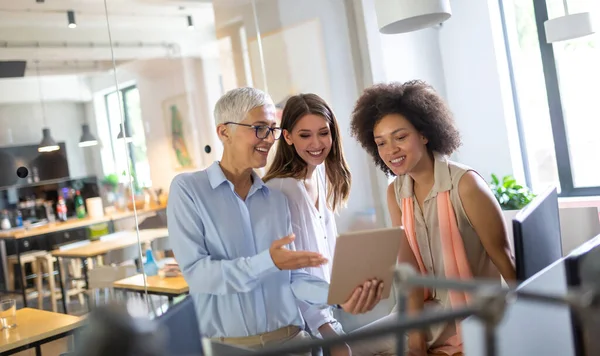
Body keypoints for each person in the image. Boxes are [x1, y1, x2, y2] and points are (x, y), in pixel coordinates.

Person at [167, 87, 383, 355]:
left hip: (294, 343)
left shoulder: (275, 199)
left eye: (272, 129)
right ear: (224, 132)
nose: (269, 139)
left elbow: (293, 279)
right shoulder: (188, 190)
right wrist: (267, 262)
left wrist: (339, 296)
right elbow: (199, 276)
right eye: (259, 128)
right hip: (230, 348)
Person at [348, 81, 516, 356]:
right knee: (341, 349)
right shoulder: (396, 193)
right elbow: (410, 275)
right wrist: (415, 343)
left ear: (424, 135)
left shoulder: (466, 185)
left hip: (475, 312)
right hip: (425, 312)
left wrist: (523, 323)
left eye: (400, 137)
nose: (391, 150)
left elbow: (505, 260)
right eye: (381, 143)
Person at [263, 93, 353, 355]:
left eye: (323, 133)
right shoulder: (280, 190)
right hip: (297, 328)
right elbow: (288, 273)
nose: (316, 143)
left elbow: (326, 253)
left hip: (324, 317)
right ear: (288, 137)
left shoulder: (319, 175)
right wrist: (327, 331)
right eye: (305, 135)